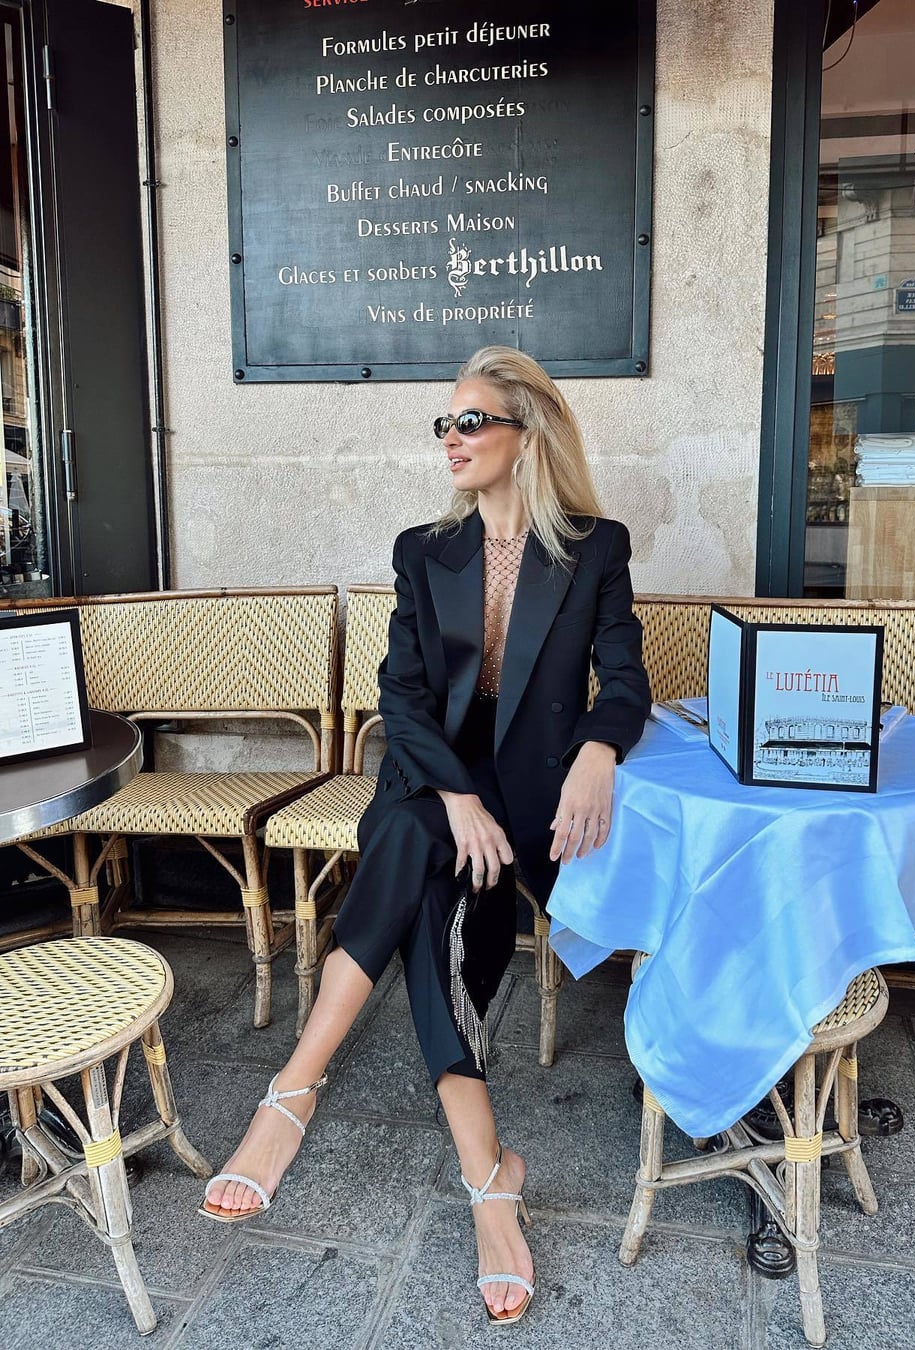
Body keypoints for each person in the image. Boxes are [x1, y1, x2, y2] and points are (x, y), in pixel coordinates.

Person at [198, 345, 651, 1325]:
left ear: (527, 432)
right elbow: (399, 696)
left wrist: (598, 748)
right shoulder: (424, 549)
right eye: (445, 422)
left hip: (530, 787)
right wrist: (454, 793)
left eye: (471, 420)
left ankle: (295, 1095)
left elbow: (625, 681)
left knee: (419, 887)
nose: (451, 437)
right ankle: (487, 1181)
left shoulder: (595, 548)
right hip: (432, 775)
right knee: (417, 841)